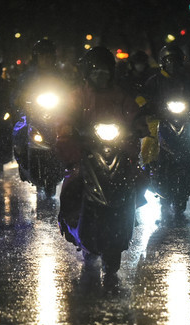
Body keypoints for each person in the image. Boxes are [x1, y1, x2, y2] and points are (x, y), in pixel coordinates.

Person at [56, 46, 149, 255]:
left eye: (105, 71)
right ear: (88, 73)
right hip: (86, 150)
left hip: (118, 150)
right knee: (73, 181)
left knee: (138, 178)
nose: (101, 76)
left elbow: (133, 112)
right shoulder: (78, 96)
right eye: (96, 71)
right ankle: (70, 217)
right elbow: (66, 115)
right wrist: (68, 126)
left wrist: (139, 123)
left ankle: (129, 213)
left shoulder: (121, 95)